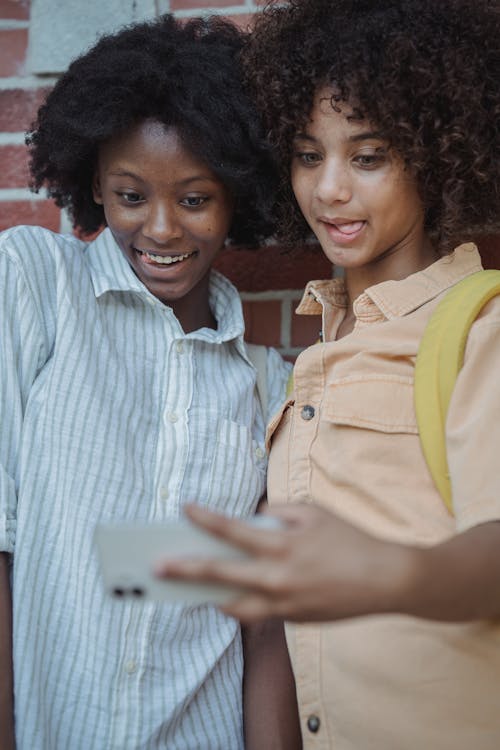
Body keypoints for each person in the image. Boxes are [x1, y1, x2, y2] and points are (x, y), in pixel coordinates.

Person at [157, 1, 500, 747]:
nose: (329, 189)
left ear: (435, 155)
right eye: (310, 155)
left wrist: (391, 574)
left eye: (368, 156)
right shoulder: (308, 358)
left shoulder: (482, 328)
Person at [0, 14, 300, 750]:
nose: (162, 229)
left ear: (236, 199)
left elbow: (259, 621)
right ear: (95, 187)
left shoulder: (269, 385)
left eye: (194, 200)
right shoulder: (37, 287)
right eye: (131, 196)